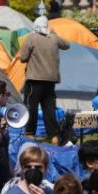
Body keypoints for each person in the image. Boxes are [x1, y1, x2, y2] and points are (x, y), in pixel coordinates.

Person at [19, 16, 70, 144]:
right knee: (49, 110)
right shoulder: (53, 38)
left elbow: (23, 57)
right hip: (51, 81)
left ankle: (30, 134)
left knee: (31, 108)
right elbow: (67, 45)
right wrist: (54, 33)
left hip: (34, 79)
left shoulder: (31, 38)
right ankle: (54, 137)